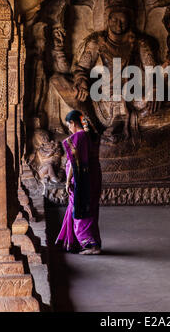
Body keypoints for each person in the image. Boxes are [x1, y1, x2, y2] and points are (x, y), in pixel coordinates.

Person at [56, 109, 102, 254]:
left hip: (83, 178)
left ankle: (90, 244)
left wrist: (68, 180)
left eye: (68, 125)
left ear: (73, 123)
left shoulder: (79, 137)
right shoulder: (91, 135)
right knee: (91, 206)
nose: (68, 128)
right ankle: (82, 242)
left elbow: (74, 162)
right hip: (94, 176)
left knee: (81, 207)